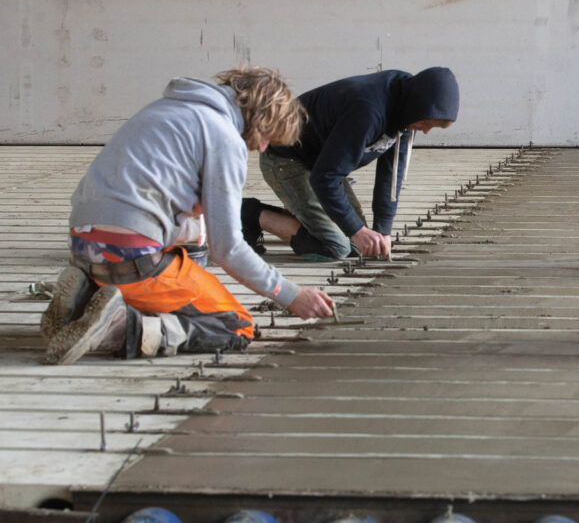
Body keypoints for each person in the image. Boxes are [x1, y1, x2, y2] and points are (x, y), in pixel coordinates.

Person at [40, 67, 336, 365]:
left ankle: (85, 297)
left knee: (192, 246)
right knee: (234, 325)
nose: (260, 147)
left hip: (82, 245)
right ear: (261, 117)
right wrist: (291, 294)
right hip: (131, 256)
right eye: (267, 137)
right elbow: (229, 249)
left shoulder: (165, 108)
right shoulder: (223, 137)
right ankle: (122, 326)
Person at [243, 67, 460, 261]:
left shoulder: (408, 112)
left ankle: (305, 213)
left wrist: (383, 230)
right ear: (416, 106)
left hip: (322, 162)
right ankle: (250, 214)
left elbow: (392, 174)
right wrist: (357, 230)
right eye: (426, 123)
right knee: (335, 246)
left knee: (360, 245)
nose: (425, 131)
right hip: (286, 158)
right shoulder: (368, 111)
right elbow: (325, 178)